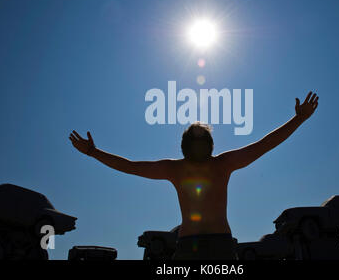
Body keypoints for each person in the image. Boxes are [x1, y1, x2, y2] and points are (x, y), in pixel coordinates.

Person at [69, 91, 319, 259]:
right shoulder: (213, 165)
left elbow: (265, 144)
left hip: (210, 245)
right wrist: (93, 152)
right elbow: (131, 166)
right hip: (199, 246)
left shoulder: (200, 167)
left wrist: (298, 120)